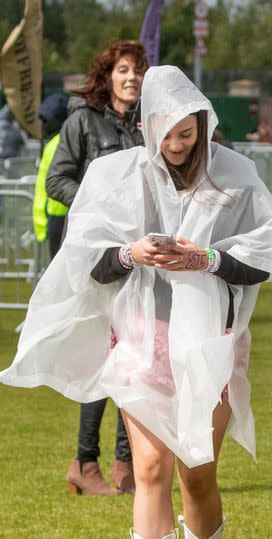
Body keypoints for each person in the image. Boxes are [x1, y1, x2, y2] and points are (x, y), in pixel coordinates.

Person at [0, 65, 272, 539]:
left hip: (209, 341)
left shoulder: (234, 175)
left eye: (186, 134)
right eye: (165, 134)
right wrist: (131, 254)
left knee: (196, 474)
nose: (176, 144)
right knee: (151, 470)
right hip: (140, 338)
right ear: (146, 127)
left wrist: (207, 258)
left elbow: (262, 256)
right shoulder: (121, 177)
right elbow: (85, 261)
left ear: (203, 125)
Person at [44, 39, 148, 496]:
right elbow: (56, 180)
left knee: (136, 356)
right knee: (103, 357)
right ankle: (85, 462)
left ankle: (126, 464)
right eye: (123, 70)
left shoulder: (150, 124)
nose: (131, 78)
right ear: (108, 75)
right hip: (98, 257)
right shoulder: (82, 121)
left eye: (139, 72)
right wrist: (94, 206)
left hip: (140, 257)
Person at [32, 92, 70, 257]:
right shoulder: (61, 141)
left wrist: (41, 223)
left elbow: (42, 185)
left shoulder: (56, 143)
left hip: (59, 217)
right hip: (60, 215)